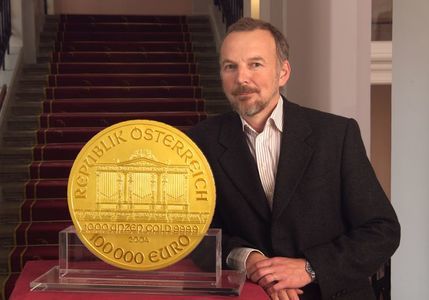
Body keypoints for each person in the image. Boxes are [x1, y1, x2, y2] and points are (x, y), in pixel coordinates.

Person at [187, 17, 400, 300]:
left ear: (283, 72)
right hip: (250, 295)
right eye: (230, 67)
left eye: (255, 64)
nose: (241, 78)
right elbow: (194, 233)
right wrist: (247, 260)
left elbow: (382, 231)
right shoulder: (200, 141)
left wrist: (311, 268)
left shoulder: (336, 134)